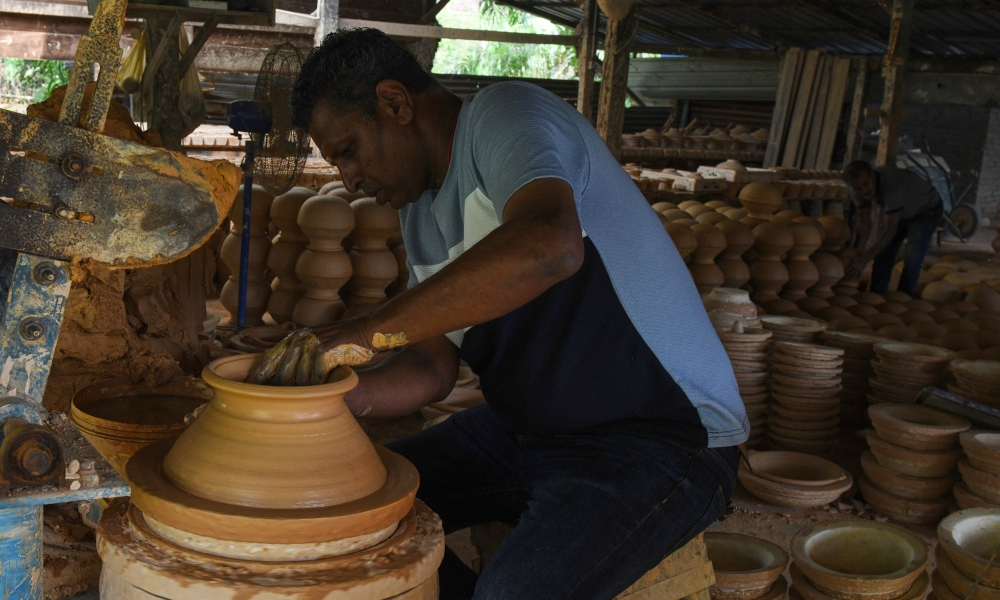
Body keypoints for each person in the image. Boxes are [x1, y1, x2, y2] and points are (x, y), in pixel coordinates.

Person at [265, 28, 747, 600]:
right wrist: (310, 400)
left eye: (348, 151)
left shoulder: (502, 116)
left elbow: (551, 246)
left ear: (394, 103)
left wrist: (365, 333)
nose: (349, 179)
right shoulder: (418, 214)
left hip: (660, 438)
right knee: (345, 511)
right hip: (528, 432)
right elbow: (430, 369)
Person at [842, 160, 943, 295]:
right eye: (858, 188)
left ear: (872, 175)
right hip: (899, 211)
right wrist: (858, 253)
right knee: (882, 256)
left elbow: (890, 230)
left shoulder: (891, 184)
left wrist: (865, 259)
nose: (863, 191)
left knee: (912, 258)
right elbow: (864, 222)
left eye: (866, 184)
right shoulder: (856, 190)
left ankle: (903, 299)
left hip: (925, 211)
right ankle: (877, 295)